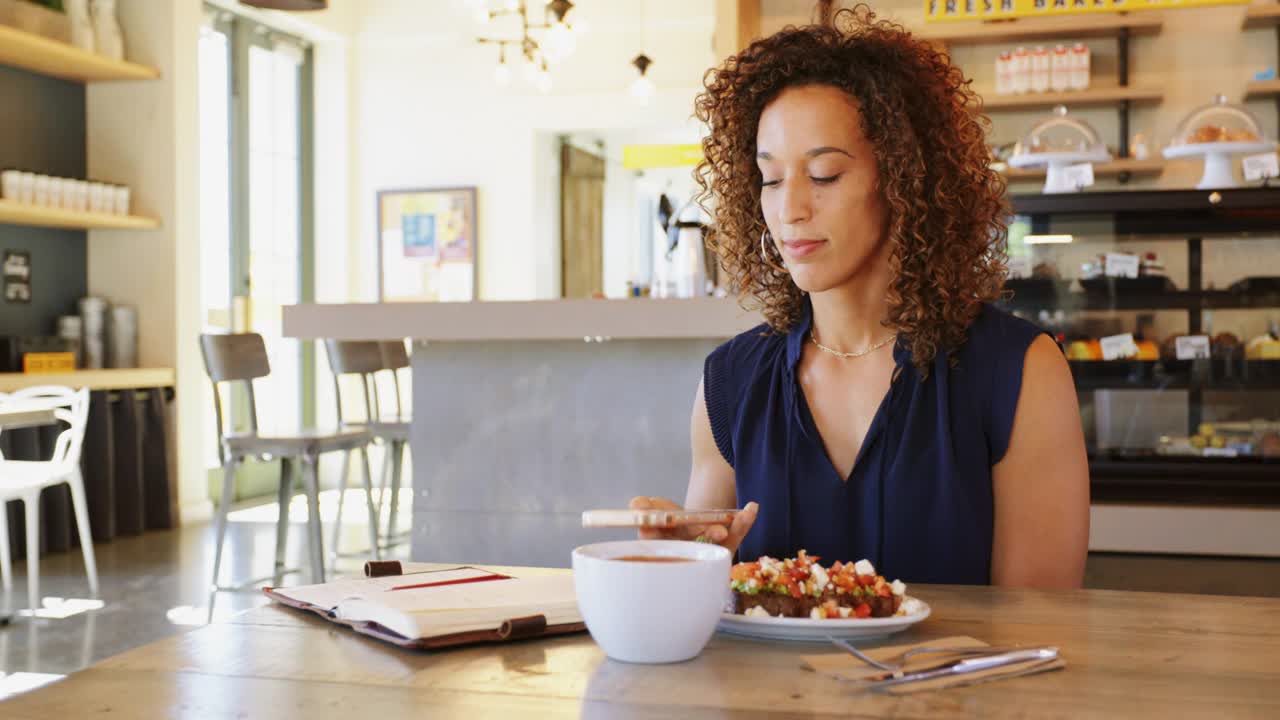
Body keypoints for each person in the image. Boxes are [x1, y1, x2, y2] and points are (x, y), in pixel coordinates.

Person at [631, 6, 1089, 588]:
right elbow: (709, 614)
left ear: (904, 179)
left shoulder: (1017, 373)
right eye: (770, 178)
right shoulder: (731, 383)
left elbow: (1038, 631)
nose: (790, 208)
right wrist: (681, 566)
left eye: (823, 175)